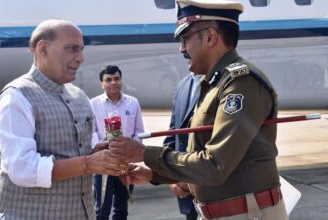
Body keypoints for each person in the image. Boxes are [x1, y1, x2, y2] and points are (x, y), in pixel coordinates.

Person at [109, 0, 288, 219]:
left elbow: (214, 166)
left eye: (185, 38)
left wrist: (143, 153)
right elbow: (206, 161)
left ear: (211, 37)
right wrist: (154, 174)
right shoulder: (213, 84)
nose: (182, 48)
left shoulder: (240, 84)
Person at [0, 19, 128, 220]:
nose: (80, 58)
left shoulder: (80, 97)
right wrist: (88, 163)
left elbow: (73, 154)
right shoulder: (16, 97)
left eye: (81, 50)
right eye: (72, 49)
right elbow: (22, 168)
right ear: (43, 49)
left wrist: (97, 154)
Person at [91, 65, 145, 220]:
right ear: (102, 84)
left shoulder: (132, 103)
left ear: (121, 81)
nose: (113, 83)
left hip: (124, 163)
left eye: (116, 78)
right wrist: (101, 146)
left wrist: (130, 150)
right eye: (108, 80)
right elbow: (91, 131)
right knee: (101, 208)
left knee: (122, 207)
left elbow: (139, 131)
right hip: (103, 162)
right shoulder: (93, 104)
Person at [163, 72, 200, 220]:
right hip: (184, 191)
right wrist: (170, 178)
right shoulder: (182, 85)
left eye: (186, 46)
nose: (182, 49)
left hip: (213, 190)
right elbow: (173, 134)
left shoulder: (222, 82)